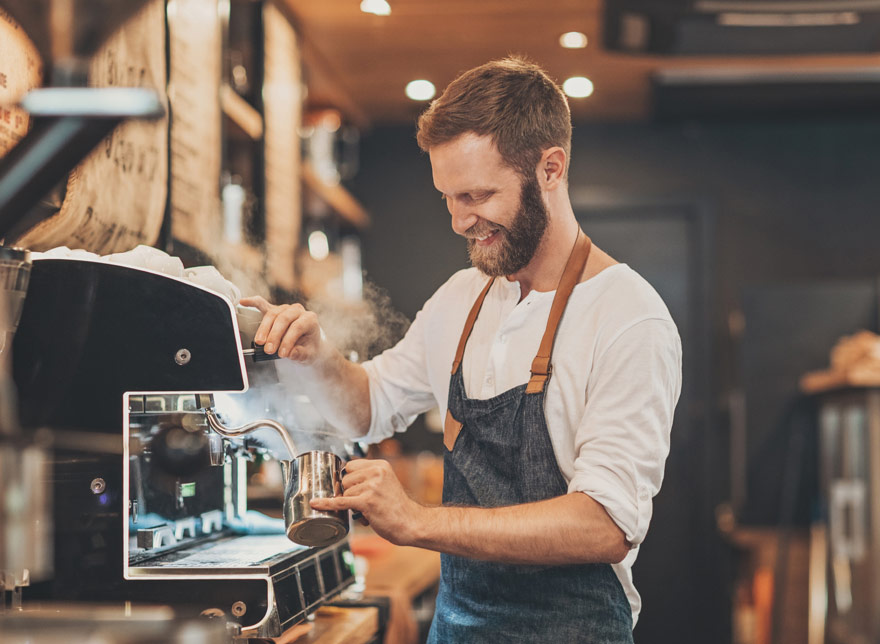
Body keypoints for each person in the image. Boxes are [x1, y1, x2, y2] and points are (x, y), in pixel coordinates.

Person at [241, 56, 681, 643]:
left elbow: (604, 526)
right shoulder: (463, 298)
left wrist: (420, 522)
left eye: (477, 195)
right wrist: (317, 357)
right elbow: (367, 408)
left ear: (551, 168)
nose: (459, 221)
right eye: (447, 197)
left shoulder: (628, 317)